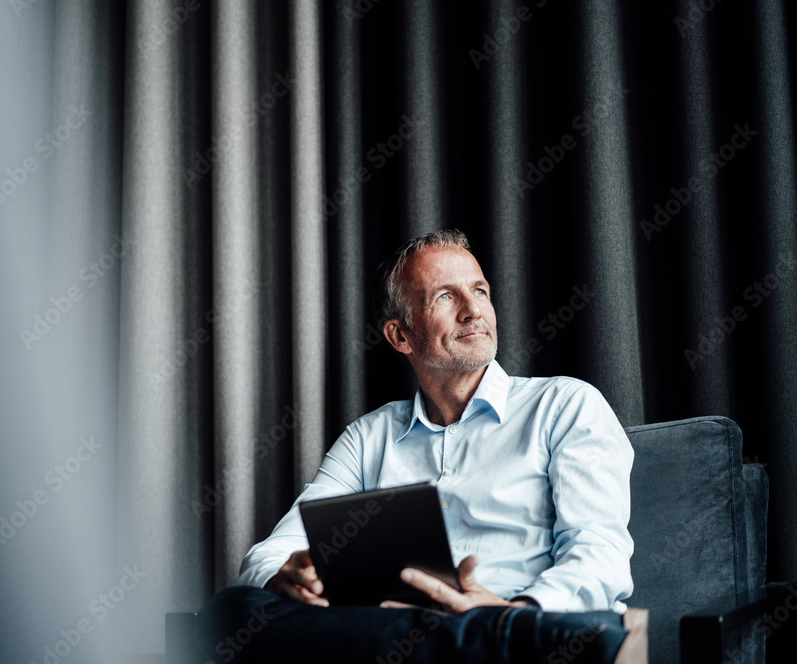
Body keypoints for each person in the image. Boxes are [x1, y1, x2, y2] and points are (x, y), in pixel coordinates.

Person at [200, 230, 645, 663]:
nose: (473, 310)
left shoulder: (564, 404)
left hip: (522, 621)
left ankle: (489, 632)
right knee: (232, 610)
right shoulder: (367, 438)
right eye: (446, 297)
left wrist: (517, 611)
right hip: (389, 630)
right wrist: (288, 575)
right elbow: (272, 552)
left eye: (480, 291)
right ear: (400, 336)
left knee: (575, 635)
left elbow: (598, 554)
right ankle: (467, 639)